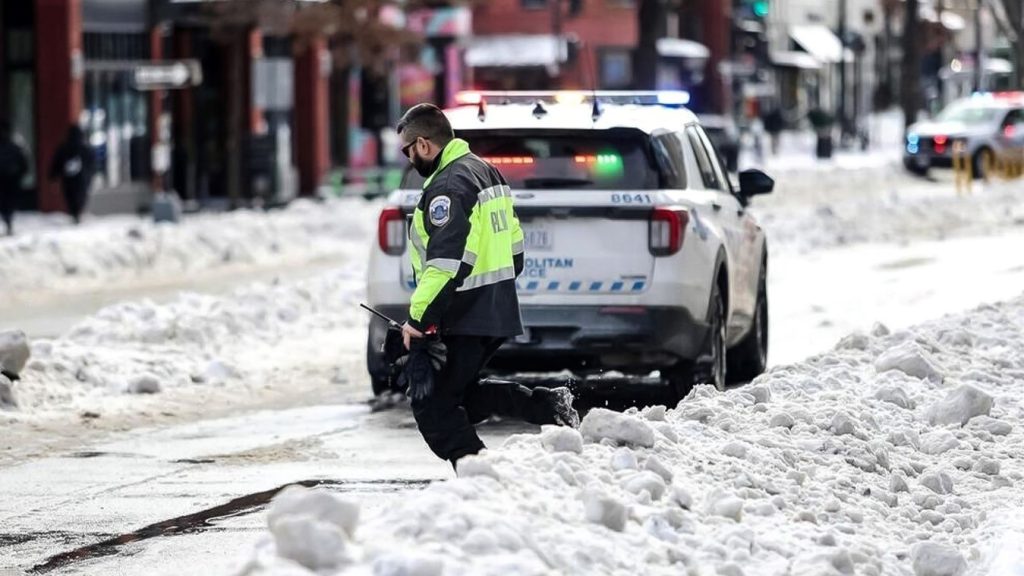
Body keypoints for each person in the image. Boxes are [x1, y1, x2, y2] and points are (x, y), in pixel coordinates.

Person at [395, 103, 579, 468]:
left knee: (436, 408)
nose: (408, 158)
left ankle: (480, 476)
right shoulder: (483, 171)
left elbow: (444, 265)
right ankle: (546, 405)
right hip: (492, 308)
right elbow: (515, 248)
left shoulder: (448, 186)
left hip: (464, 312)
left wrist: (418, 319)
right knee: (461, 395)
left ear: (424, 145)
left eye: (408, 149)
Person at [49, 125, 95, 224]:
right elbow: (91, 163)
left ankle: (74, 213)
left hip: (68, 178)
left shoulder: (64, 147)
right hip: (82, 178)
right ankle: (77, 213)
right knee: (80, 195)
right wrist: (91, 175)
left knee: (70, 195)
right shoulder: (84, 148)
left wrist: (53, 177)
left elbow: (57, 163)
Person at [0, 121, 28, 236]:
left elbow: (23, 164)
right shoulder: (15, 147)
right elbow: (24, 164)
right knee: (9, 202)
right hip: (12, 180)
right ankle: (8, 220)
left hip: (6, 179)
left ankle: (8, 219)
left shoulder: (15, 147)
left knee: (4, 202)